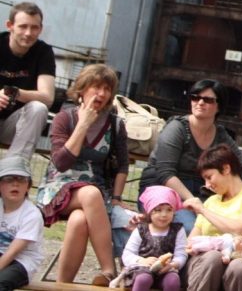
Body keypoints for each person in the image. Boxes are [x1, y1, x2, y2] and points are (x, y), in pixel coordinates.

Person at [35, 63, 132, 285]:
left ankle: (62, 286)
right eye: (96, 87)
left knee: (79, 220)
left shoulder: (115, 124)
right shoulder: (64, 118)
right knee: (90, 194)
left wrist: (117, 199)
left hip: (97, 194)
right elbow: (61, 162)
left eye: (107, 89)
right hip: (59, 187)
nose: (101, 93)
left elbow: (123, 166)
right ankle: (109, 270)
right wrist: (83, 124)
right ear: (82, 89)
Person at [140, 79, 242, 234]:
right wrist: (195, 203)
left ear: (219, 106)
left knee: (219, 228)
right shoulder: (177, 128)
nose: (200, 102)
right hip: (165, 192)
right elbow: (165, 173)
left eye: (208, 100)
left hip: (202, 194)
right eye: (195, 97)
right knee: (193, 229)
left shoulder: (222, 136)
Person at [183, 143, 242, 291]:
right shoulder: (211, 201)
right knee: (212, 258)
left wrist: (203, 210)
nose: (207, 184)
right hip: (204, 264)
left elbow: (240, 229)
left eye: (209, 177)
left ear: (226, 168)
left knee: (239, 267)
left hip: (239, 261)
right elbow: (190, 241)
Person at [0, 2, 55, 161]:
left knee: (38, 108)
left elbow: (47, 98)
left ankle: (14, 171)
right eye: (23, 26)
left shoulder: (44, 52)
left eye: (34, 28)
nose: (28, 33)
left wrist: (14, 92)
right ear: (10, 25)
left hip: (16, 126)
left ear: (41, 29)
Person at [118, 186, 187, 291]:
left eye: (169, 210)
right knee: (144, 279)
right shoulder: (142, 229)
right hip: (141, 270)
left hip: (166, 270)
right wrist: (141, 260)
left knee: (173, 281)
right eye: (158, 210)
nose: (164, 215)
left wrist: (173, 264)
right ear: (149, 211)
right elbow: (127, 254)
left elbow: (181, 254)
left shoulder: (178, 230)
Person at [0, 156, 43, 291]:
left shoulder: (32, 214)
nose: (15, 184)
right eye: (9, 179)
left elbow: (14, 251)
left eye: (21, 179)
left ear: (28, 186)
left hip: (22, 261)